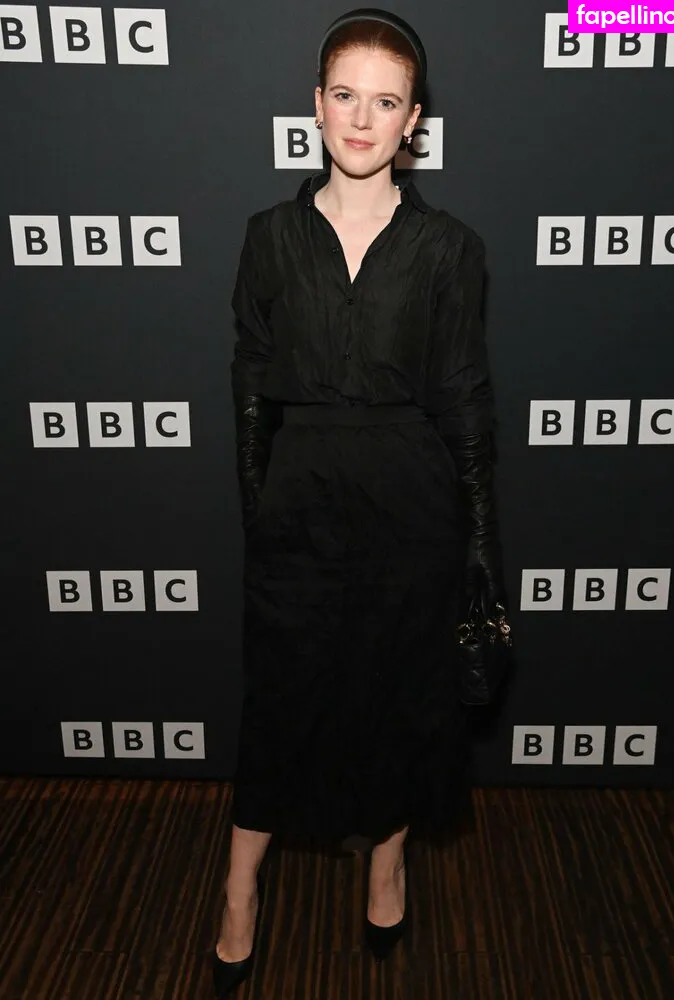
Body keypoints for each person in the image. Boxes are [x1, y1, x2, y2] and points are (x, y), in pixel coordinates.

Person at [212, 7, 511, 995]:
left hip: (409, 505)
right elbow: (250, 383)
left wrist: (478, 537)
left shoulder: (449, 249)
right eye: (345, 95)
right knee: (280, 699)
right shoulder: (268, 238)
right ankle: (238, 889)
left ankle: (387, 863)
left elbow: (464, 397)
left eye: (386, 102)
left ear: (412, 120)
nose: (361, 119)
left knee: (394, 695)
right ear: (316, 104)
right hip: (299, 498)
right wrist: (257, 506)